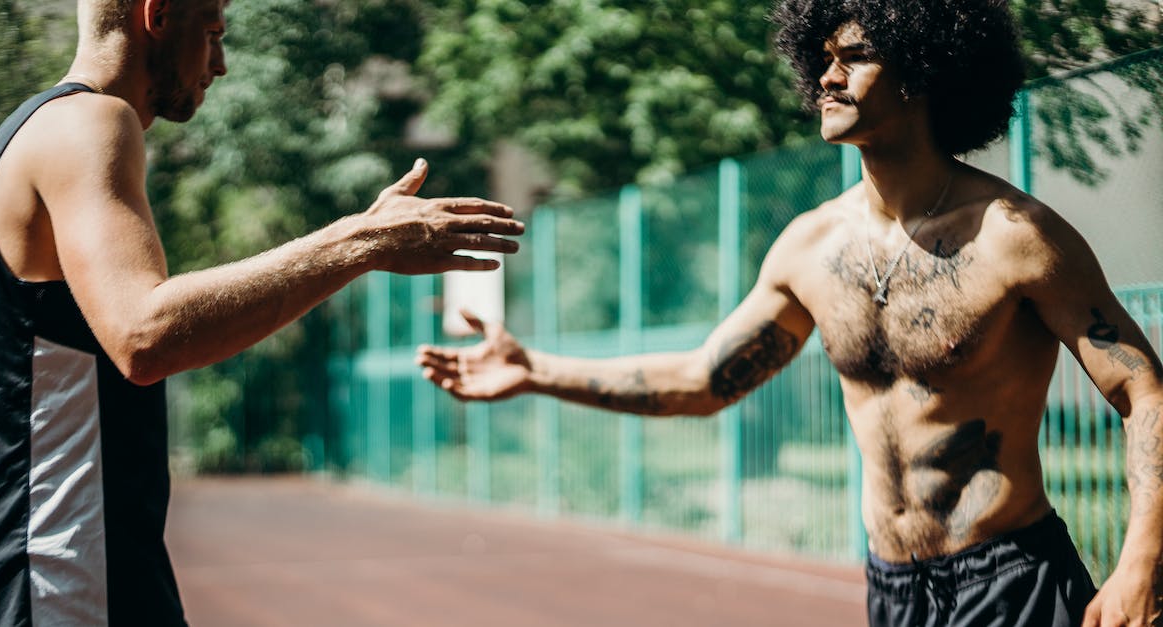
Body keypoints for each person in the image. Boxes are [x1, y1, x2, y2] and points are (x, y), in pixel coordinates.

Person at [417, 1, 1163, 625]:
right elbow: (705, 379)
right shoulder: (810, 247)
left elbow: (1143, 390)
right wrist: (535, 369)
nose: (827, 80)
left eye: (856, 58)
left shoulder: (1013, 236)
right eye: (823, 61)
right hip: (894, 589)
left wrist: (1140, 565)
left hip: (1011, 582)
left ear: (924, 70)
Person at [0, 0, 524, 624]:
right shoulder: (88, 122)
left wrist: (362, 241)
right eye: (211, 34)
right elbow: (144, 337)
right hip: (58, 578)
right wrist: (361, 243)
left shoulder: (27, 135)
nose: (220, 64)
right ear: (157, 15)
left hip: (63, 567)